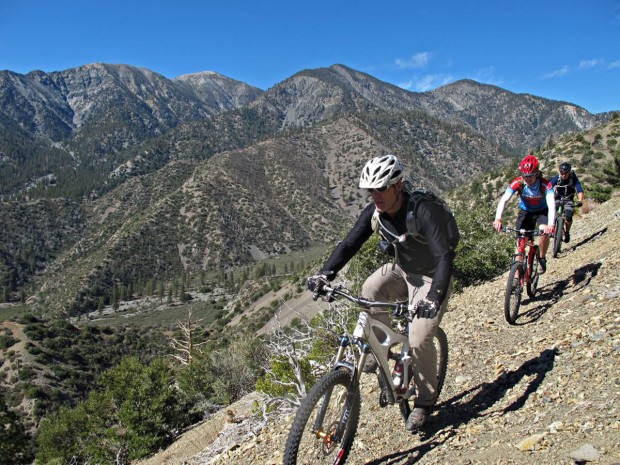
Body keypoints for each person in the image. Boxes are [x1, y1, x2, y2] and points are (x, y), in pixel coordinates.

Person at [307, 154, 459, 432]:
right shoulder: (375, 212)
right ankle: (383, 353)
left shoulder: (423, 210)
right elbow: (349, 243)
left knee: (419, 337)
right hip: (401, 270)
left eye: (381, 188)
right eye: (370, 190)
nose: (375, 195)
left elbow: (445, 256)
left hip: (430, 277)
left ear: (398, 186)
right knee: (370, 289)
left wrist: (434, 296)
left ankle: (425, 401)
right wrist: (325, 273)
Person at [493, 154, 555, 273]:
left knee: (543, 232)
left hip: (542, 212)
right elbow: (504, 200)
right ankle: (516, 279)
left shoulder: (545, 185)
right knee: (520, 244)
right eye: (525, 176)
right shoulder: (518, 182)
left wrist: (551, 225)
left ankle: (542, 257)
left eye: (530, 176)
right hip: (526, 212)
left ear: (536, 173)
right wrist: (498, 219)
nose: (527, 179)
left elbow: (552, 205)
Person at [549, 161, 585, 243]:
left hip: (569, 199)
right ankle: (553, 229)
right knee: (552, 213)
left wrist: (580, 200)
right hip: (557, 198)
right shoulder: (557, 178)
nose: (563, 175)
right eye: (562, 173)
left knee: (568, 216)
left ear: (569, 172)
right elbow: (549, 187)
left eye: (565, 173)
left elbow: (579, 190)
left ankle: (567, 232)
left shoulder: (573, 178)